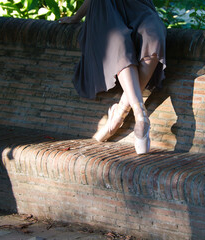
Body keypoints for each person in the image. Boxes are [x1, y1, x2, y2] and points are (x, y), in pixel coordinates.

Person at [59, 0, 166, 154]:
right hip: (105, 5)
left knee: (154, 35)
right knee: (118, 43)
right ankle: (140, 115)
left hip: (138, 4)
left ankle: (120, 115)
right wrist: (76, 17)